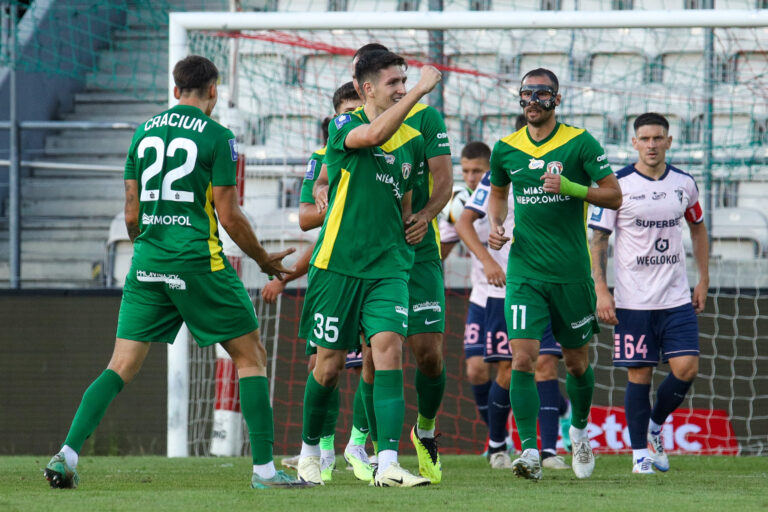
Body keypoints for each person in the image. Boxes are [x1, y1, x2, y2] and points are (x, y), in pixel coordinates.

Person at [44, 55, 307, 490]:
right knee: (250, 356)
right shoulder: (219, 137)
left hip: (147, 262)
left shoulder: (143, 132)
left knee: (120, 364)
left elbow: (132, 214)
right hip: (198, 263)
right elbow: (230, 214)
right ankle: (264, 471)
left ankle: (67, 455)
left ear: (174, 90)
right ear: (214, 91)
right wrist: (263, 259)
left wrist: (151, 244)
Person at [295, 49, 442, 488]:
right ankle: (307, 453)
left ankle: (388, 461)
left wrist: (413, 228)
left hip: (389, 268)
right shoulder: (344, 124)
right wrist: (418, 92)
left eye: (405, 80)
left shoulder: (414, 143)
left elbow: (407, 204)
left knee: (389, 347)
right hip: (338, 265)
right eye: (394, 82)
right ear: (366, 89)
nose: (401, 87)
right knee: (328, 367)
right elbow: (375, 135)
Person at [487, 67, 622, 481]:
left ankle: (578, 431)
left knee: (577, 363)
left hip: (571, 275)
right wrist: (497, 225)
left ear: (556, 100)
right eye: (526, 93)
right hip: (525, 272)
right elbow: (498, 192)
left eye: (541, 94)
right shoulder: (505, 148)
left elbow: (614, 195)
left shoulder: (580, 142)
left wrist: (572, 188)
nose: (532, 100)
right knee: (523, 359)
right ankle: (528, 450)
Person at [262, 82, 373, 483]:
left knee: (375, 359)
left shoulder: (389, 150)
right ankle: (322, 451)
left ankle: (360, 446)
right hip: (332, 271)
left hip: (376, 267)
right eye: (343, 114)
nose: (350, 120)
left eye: (357, 110)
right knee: (321, 365)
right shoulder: (323, 158)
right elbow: (308, 218)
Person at [588, 112, 709, 474]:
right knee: (639, 375)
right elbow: (598, 240)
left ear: (669, 141)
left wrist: (702, 279)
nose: (652, 145)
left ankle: (656, 425)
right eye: (645, 138)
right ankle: (640, 453)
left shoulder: (685, 183)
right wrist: (601, 289)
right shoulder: (617, 186)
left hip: (675, 297)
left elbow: (698, 228)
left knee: (686, 368)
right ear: (634, 142)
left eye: (658, 138)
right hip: (632, 299)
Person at [453, 142, 572, 471]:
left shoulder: (559, 174)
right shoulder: (500, 174)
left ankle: (548, 451)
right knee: (508, 368)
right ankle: (497, 444)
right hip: (504, 290)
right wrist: (489, 261)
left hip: (546, 285)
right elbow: (463, 222)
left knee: (546, 365)